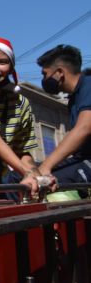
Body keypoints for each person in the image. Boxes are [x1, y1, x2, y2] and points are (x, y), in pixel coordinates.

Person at [0, 37, 41, 199]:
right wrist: (25, 172)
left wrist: (37, 176)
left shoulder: (20, 103)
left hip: (0, 184)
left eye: (3, 62)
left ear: (11, 68)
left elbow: (22, 151)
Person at [35, 45, 91, 191]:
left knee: (39, 183)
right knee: (21, 177)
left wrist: (46, 166)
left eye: (45, 74)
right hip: (81, 159)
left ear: (59, 73)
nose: (44, 79)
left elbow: (84, 128)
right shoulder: (74, 99)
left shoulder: (89, 85)